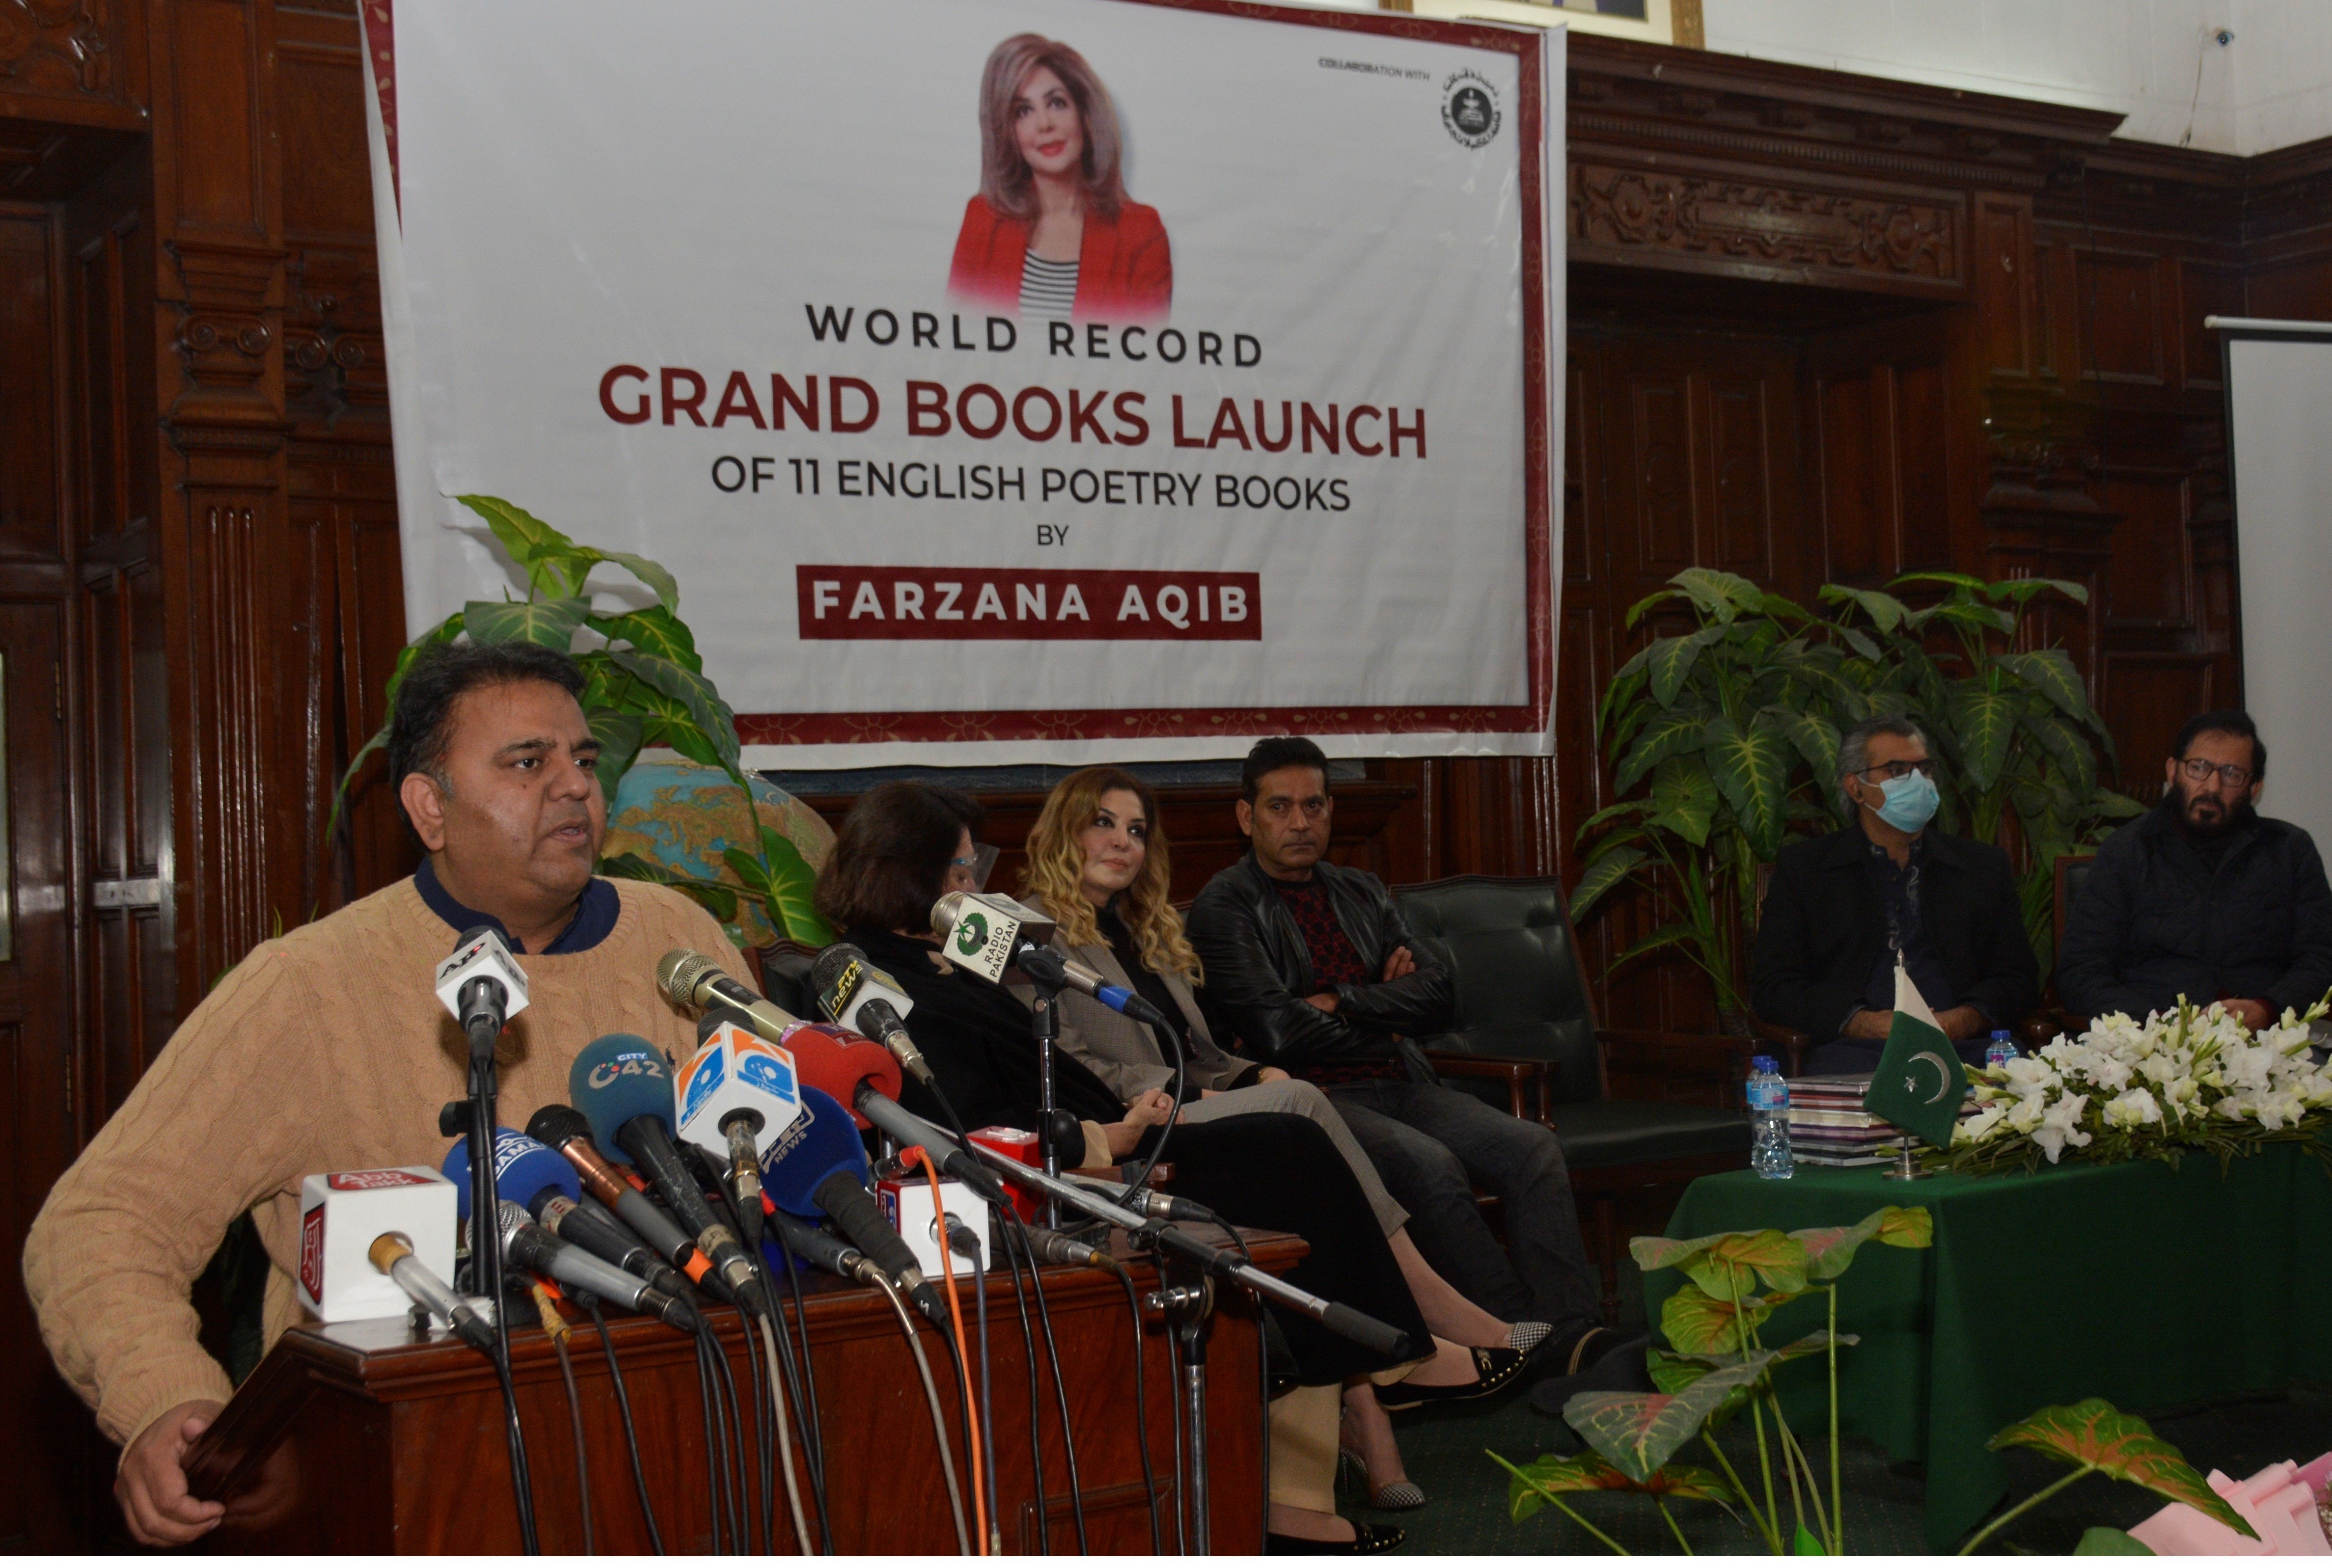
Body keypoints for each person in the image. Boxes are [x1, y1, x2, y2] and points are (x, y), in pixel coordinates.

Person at [22, 644, 746, 1547]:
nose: (573, 786)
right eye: (529, 762)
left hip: (685, 1455)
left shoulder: (678, 940)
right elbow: (103, 1218)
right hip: (404, 1486)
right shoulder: (308, 985)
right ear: (428, 806)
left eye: (584, 759)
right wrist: (167, 1398)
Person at [814, 781, 1535, 1552]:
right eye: (960, 871)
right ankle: (1391, 1364)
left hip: (1109, 1137)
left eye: (973, 867)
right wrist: (1113, 1137)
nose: (974, 887)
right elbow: (962, 1120)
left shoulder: (948, 957)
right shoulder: (877, 980)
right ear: (909, 876)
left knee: (1286, 1153)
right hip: (1058, 1177)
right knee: (1284, 1149)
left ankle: (1317, 1465)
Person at [1019, 764, 1554, 1510]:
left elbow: (1202, 1048)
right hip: (1128, 1128)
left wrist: (1252, 1071)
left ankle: (1375, 1408)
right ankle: (1439, 1322)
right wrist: (1214, 1090)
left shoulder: (1144, 927)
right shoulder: (1028, 931)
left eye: (1136, 829)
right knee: (1302, 1106)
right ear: (1062, 830)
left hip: (1199, 1107)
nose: (1122, 842)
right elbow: (1076, 1065)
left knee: (1294, 1115)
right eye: (1102, 823)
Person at [1183, 738, 1617, 1386]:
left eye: (1313, 806)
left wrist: (1342, 1000)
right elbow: (1274, 1033)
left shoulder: (1360, 889)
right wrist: (1385, 1015)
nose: (1300, 822)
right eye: (1280, 807)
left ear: (1331, 811)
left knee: (1531, 1148)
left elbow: (1442, 993)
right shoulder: (1225, 907)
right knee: (1430, 1166)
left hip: (1402, 1079)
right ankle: (1515, 1337)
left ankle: (1574, 1333)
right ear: (1247, 817)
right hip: (1317, 1105)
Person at [1752, 714, 2040, 1073]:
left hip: (1967, 1048)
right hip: (1855, 1052)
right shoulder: (1807, 870)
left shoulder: (1981, 866)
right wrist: (1858, 1022)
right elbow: (1774, 987)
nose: (1917, 781)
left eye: (1923, 769)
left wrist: (1964, 1019)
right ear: (1856, 787)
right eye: (1897, 770)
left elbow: (2018, 976)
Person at [2058, 709, 2332, 1024]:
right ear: (2172, 771)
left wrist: (2268, 1009)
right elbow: (2080, 971)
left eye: (2232, 774)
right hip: (2150, 1042)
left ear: (2254, 788)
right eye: (2198, 768)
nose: (2212, 787)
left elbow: (2321, 959)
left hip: (2268, 1039)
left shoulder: (2290, 850)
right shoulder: (2126, 851)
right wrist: (2159, 1024)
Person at [947, 33, 1171, 324]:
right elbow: (954, 346)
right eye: (1023, 111)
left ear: (1085, 113)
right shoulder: (983, 220)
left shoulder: (1141, 234)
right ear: (1006, 130)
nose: (1045, 124)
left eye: (1056, 103)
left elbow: (1150, 361)